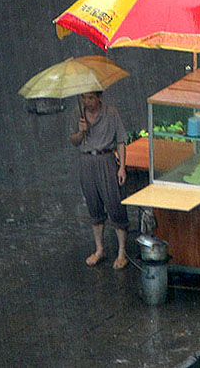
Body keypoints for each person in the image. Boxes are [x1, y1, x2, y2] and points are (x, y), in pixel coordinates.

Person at [69, 91, 130, 269]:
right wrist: (81, 132)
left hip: (106, 159)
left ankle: (121, 252)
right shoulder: (77, 114)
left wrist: (122, 167)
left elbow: (121, 140)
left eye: (90, 98)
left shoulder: (111, 113)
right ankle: (99, 249)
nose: (86, 102)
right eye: (84, 98)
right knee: (93, 205)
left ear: (99, 97)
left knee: (115, 204)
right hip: (86, 161)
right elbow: (73, 140)